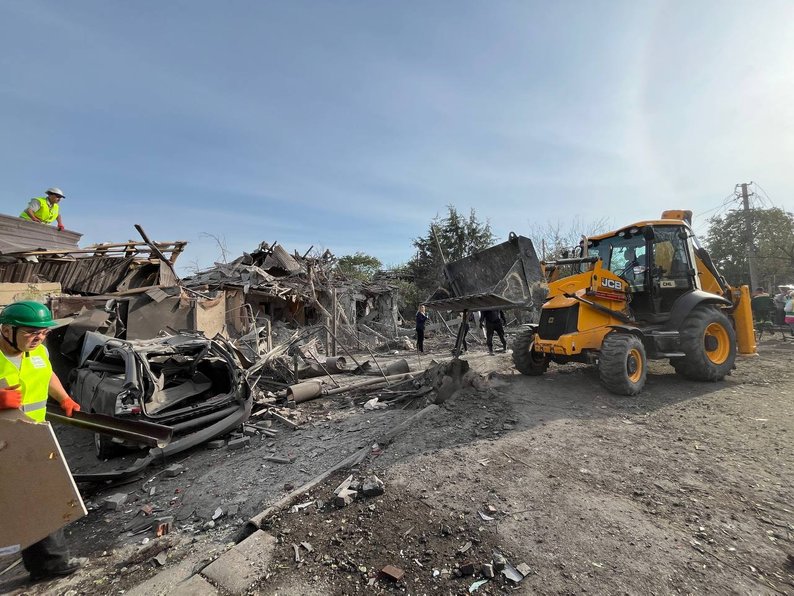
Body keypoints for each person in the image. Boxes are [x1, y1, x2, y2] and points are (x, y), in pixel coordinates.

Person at [0, 301, 84, 581]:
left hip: (33, 438)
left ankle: (51, 565)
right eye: (30, 332)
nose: (38, 338)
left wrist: (64, 398)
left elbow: (46, 374)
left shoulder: (38, 352)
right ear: (7, 329)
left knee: (43, 496)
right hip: (3, 443)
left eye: (43, 333)